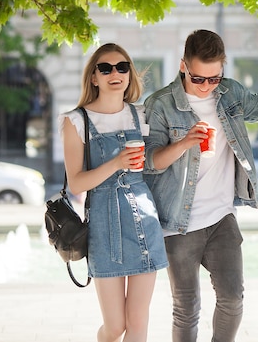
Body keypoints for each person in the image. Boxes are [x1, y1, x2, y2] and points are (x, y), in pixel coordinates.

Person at [143, 29, 258, 342]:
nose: (207, 86)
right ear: (183, 66)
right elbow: (150, 162)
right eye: (199, 79)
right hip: (178, 223)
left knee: (233, 299)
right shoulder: (160, 105)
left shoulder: (230, 93)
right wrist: (184, 143)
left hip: (222, 217)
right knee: (187, 306)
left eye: (215, 78)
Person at [60, 43, 169, 342]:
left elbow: (155, 161)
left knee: (137, 322)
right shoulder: (75, 121)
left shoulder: (142, 114)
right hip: (105, 229)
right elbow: (77, 184)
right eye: (105, 68)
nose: (115, 73)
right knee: (115, 327)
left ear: (130, 74)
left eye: (122, 67)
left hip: (145, 222)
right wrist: (117, 162)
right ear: (93, 77)